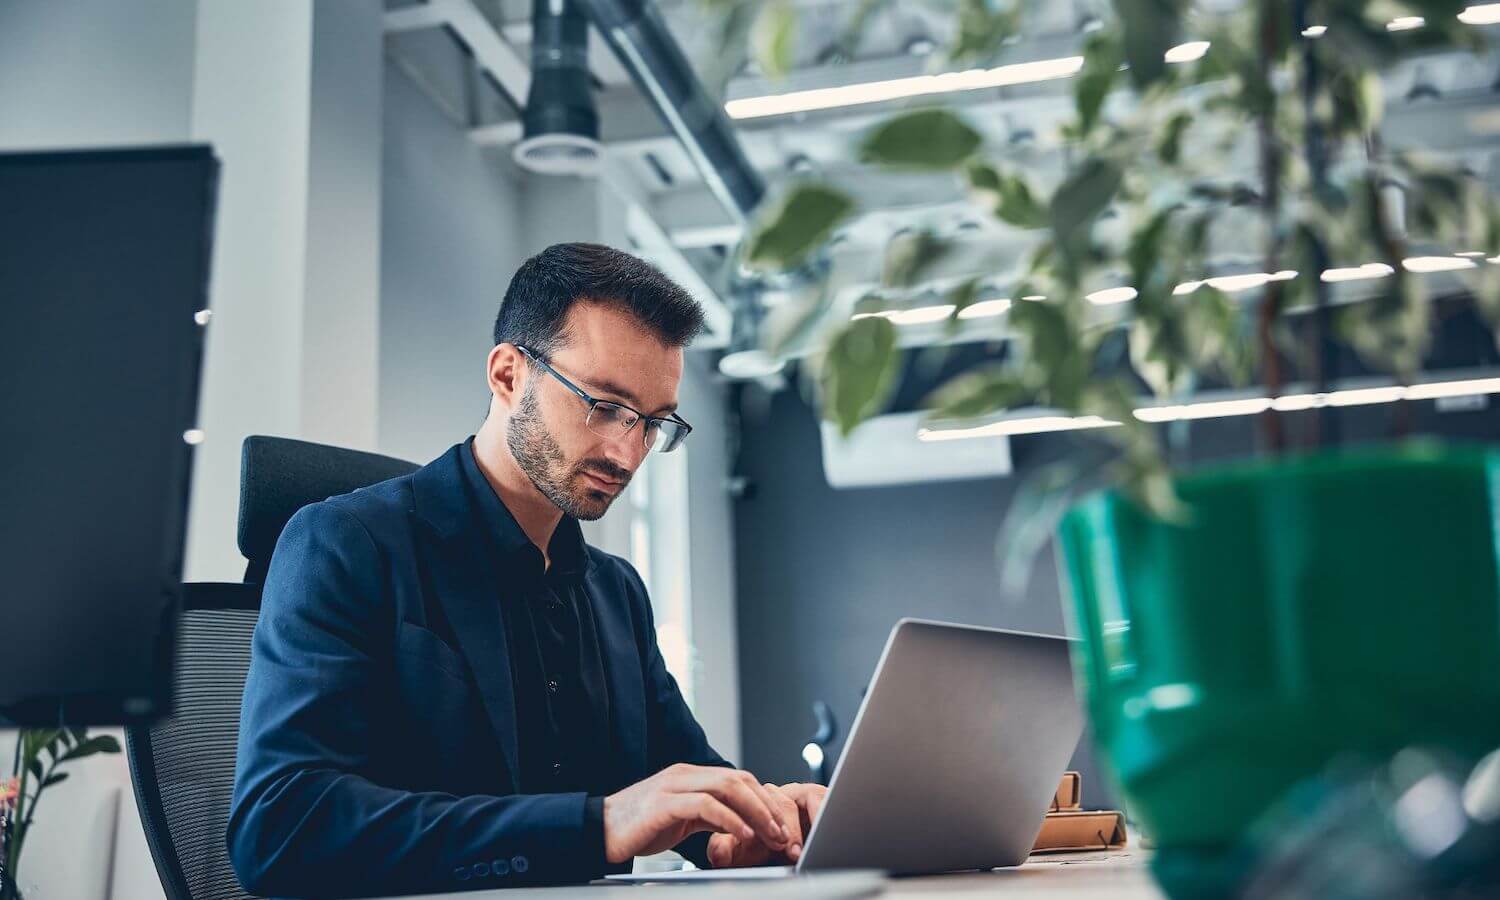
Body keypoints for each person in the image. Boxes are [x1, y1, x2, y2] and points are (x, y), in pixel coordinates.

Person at [227, 243, 826, 898]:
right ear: (509, 375)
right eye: (604, 405)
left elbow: (684, 786)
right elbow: (281, 825)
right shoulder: (346, 544)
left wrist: (752, 829)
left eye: (652, 423)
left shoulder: (616, 593)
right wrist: (593, 826)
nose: (626, 452)